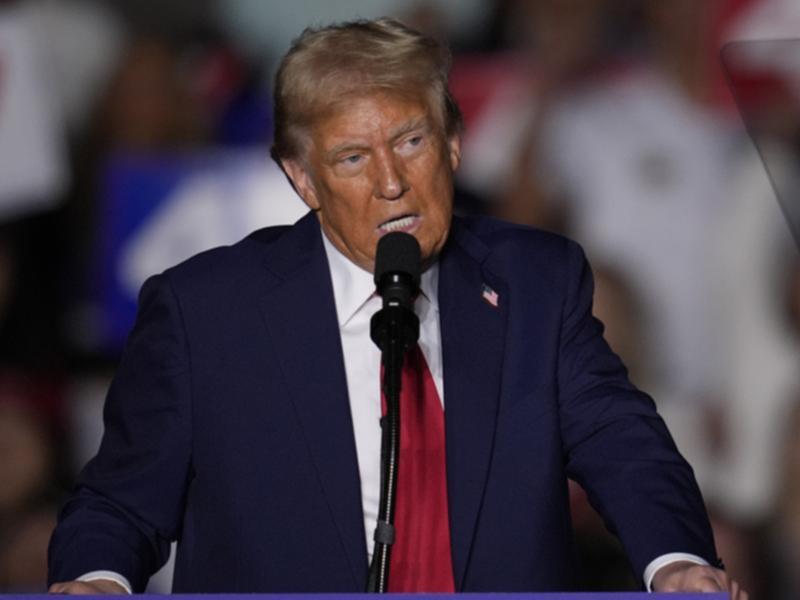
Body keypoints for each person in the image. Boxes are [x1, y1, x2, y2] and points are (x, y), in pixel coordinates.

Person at [48, 18, 745, 597]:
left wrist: (675, 561)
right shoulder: (207, 311)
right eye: (352, 157)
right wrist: (96, 580)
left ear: (453, 144)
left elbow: (624, 444)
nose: (391, 183)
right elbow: (121, 500)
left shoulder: (538, 282)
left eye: (410, 141)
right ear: (302, 177)